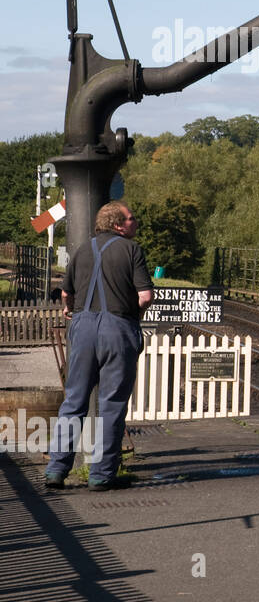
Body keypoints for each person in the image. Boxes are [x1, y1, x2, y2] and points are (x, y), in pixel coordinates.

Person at [46, 202, 154, 490]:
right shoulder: (132, 250)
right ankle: (101, 475)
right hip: (117, 328)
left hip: (82, 329)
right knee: (111, 405)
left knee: (74, 401)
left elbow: (66, 293)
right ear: (118, 224)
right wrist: (132, 316)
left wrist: (71, 310)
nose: (136, 222)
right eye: (132, 218)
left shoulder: (82, 249)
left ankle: (56, 470)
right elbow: (145, 296)